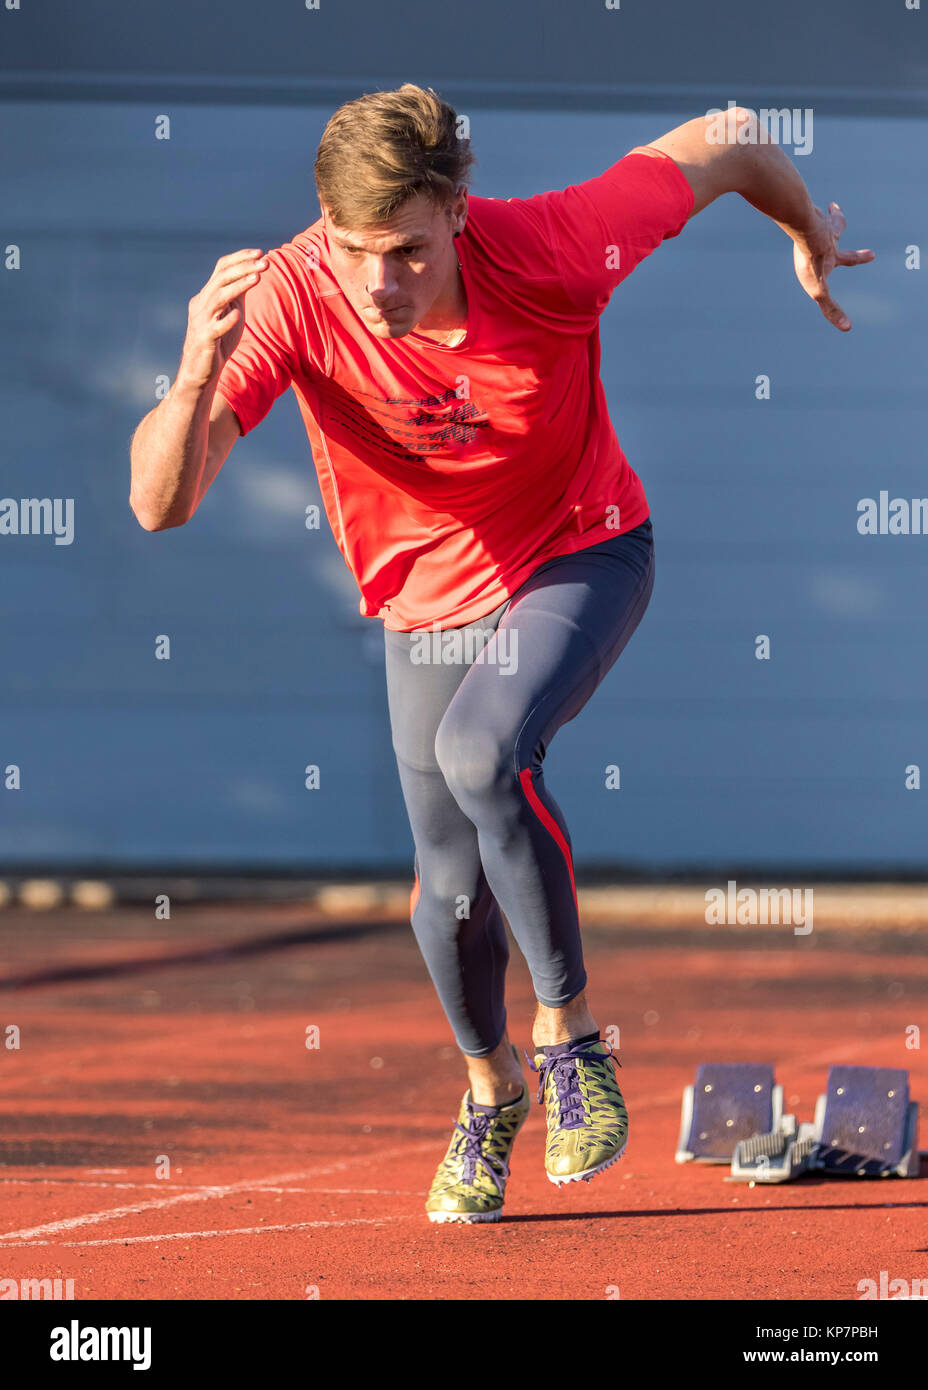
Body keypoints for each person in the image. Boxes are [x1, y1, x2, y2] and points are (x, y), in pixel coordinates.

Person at [128, 84, 873, 1223]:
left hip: (583, 550)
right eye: (355, 251)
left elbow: (725, 137)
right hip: (427, 599)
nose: (380, 284)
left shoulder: (559, 244)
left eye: (408, 253)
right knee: (445, 893)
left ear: (459, 213)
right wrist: (190, 379)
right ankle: (490, 1094)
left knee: (482, 752)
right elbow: (158, 505)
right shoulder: (288, 295)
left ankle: (572, 1042)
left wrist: (803, 231)